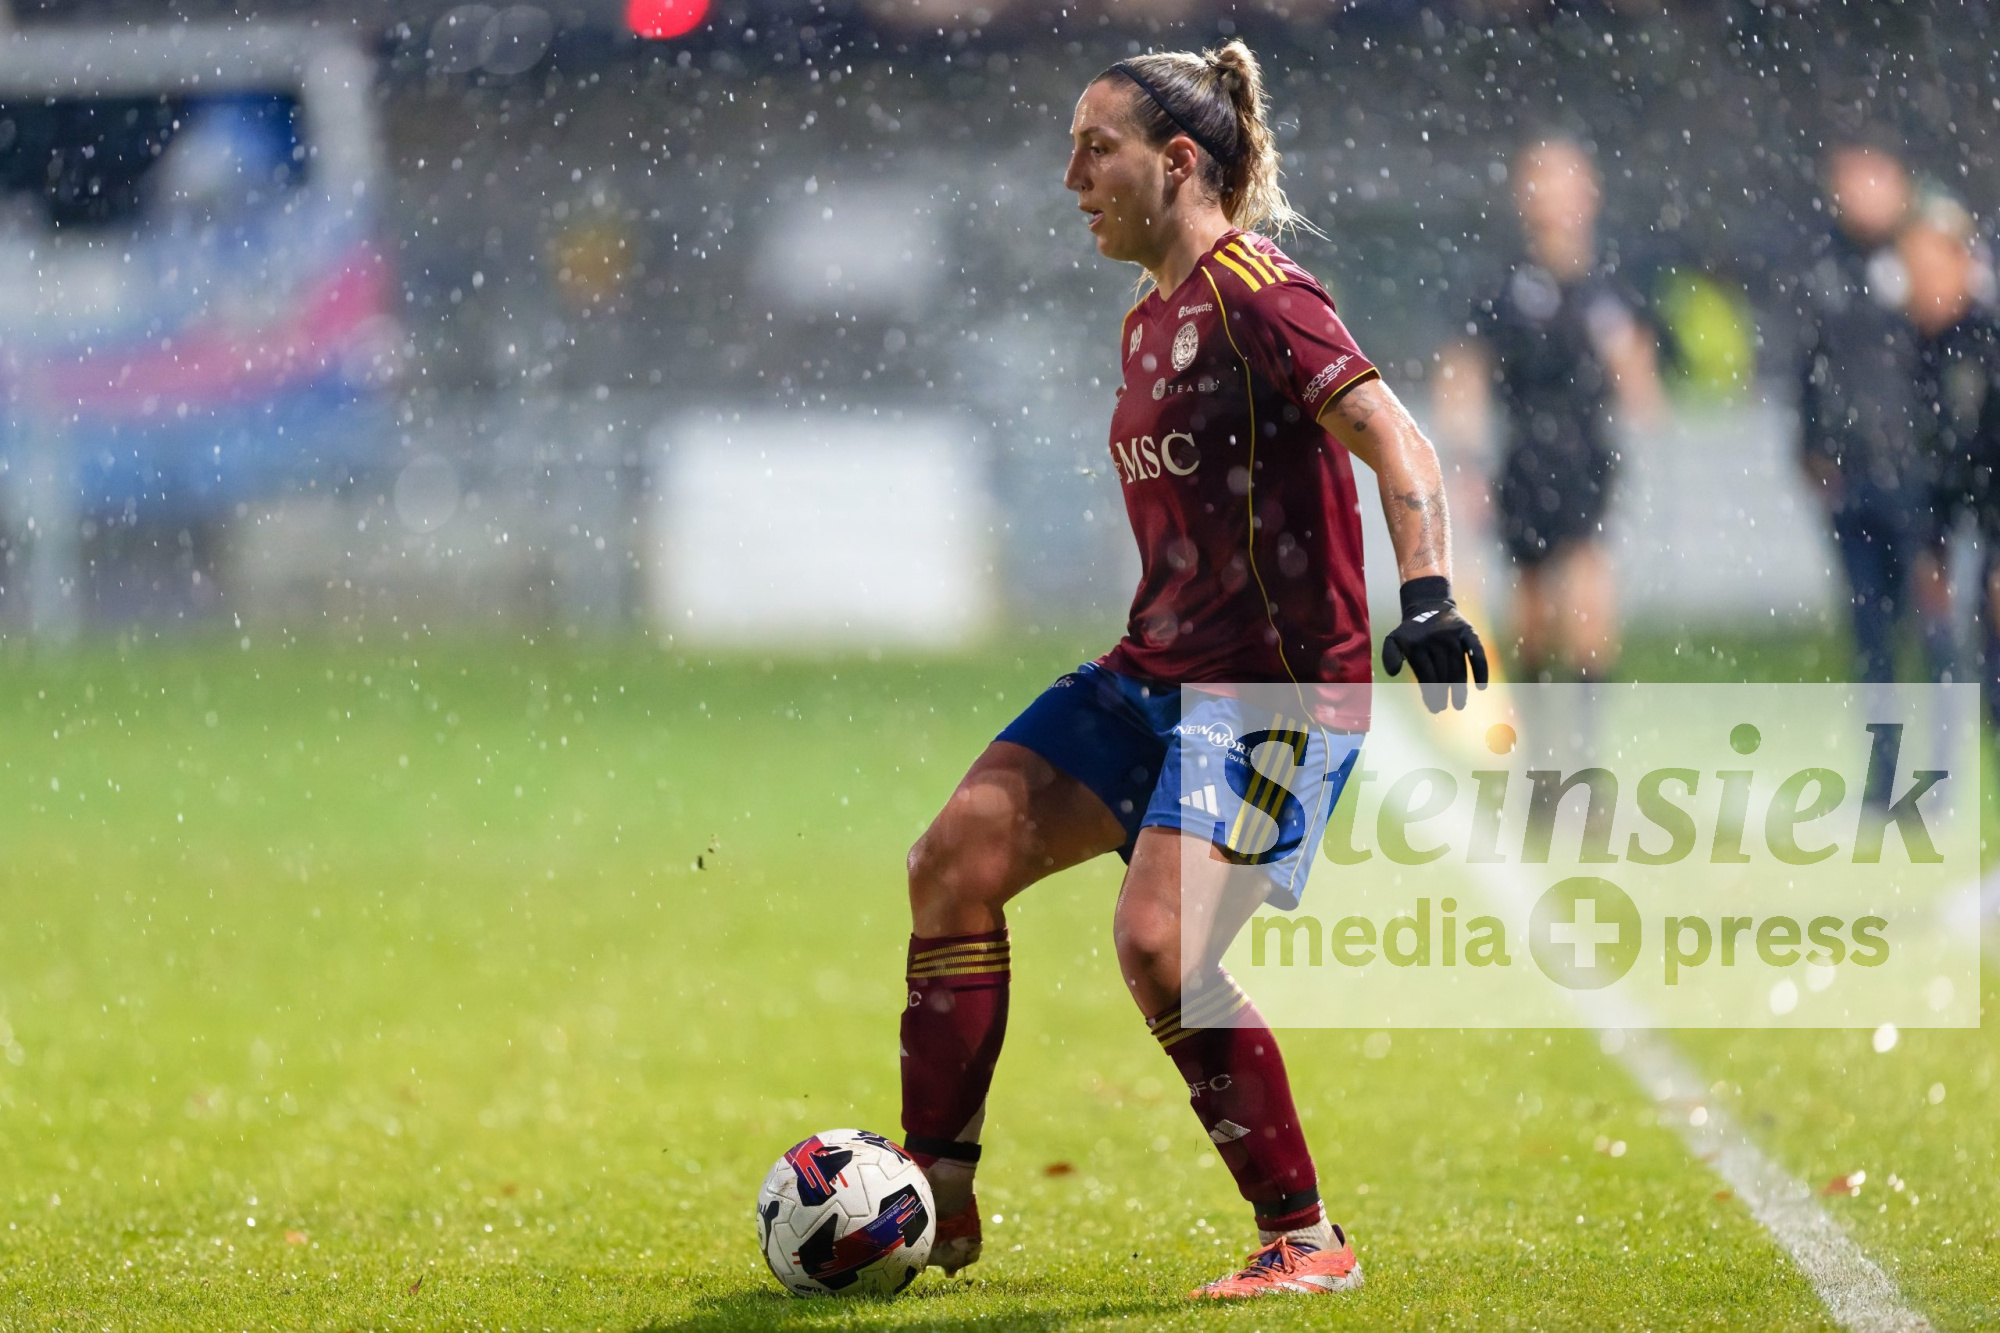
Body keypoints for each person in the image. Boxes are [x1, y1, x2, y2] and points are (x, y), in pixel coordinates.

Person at [896, 39, 1485, 1302]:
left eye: (1092, 149)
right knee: (949, 863)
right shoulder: (1145, 318)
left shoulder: (1261, 295)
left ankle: (1304, 1238)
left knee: (1159, 945)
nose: (1070, 177)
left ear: (1177, 161)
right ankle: (932, 1195)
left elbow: (1395, 437)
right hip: (1152, 674)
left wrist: (1427, 593)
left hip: (1275, 695)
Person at [1434, 138, 1661, 683]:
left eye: (1567, 182)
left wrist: (1630, 360)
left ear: (1590, 194)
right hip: (1526, 455)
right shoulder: (1504, 288)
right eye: (1543, 183)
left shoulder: (1611, 288)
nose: (1556, 197)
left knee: (1588, 595)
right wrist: (1465, 464)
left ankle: (1584, 725)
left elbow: (1644, 394)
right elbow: (1464, 375)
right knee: (1532, 610)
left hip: (1587, 456)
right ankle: (1538, 721)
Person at [1797, 142, 1928, 684]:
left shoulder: (1923, 257)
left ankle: (1945, 732)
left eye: (1873, 180)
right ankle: (1884, 735)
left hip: (1920, 469)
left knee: (1932, 615)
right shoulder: (1823, 267)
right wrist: (1811, 446)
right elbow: (1809, 366)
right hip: (1852, 469)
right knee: (1869, 620)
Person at [1903, 197, 2000, 711]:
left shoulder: (1983, 343)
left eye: (1930, 267)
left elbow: (1975, 452)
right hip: (1955, 526)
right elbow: (1937, 457)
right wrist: (1933, 544)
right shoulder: (1917, 347)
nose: (1921, 282)